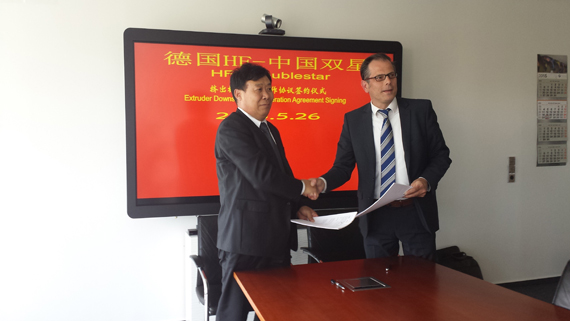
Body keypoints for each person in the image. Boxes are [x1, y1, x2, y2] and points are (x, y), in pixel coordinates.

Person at [311, 53, 451, 261]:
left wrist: (426, 181)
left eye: (391, 75)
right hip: (375, 216)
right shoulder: (354, 120)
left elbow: (441, 155)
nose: (388, 81)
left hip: (415, 211)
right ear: (365, 85)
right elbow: (343, 167)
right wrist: (322, 183)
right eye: (379, 77)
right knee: (379, 283)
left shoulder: (420, 111)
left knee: (423, 284)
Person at [214, 63, 318, 321]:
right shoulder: (232, 128)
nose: (267, 95)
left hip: (276, 239)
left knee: (278, 310)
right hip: (245, 242)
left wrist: (297, 206)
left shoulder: (271, 129)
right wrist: (304, 187)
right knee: (233, 314)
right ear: (239, 94)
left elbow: (281, 176)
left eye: (269, 88)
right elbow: (261, 176)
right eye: (259, 89)